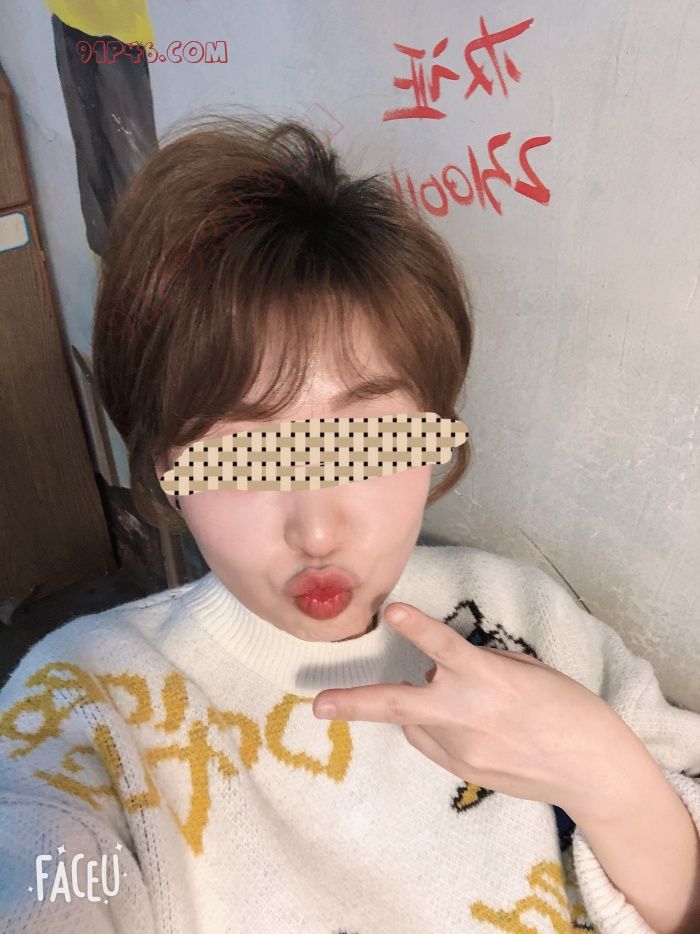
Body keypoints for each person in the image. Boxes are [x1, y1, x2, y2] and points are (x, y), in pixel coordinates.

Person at [1, 114, 699, 933]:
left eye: (366, 443)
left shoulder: (529, 616)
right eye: (242, 458)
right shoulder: (85, 702)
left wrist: (604, 774)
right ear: (164, 469)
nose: (318, 530)